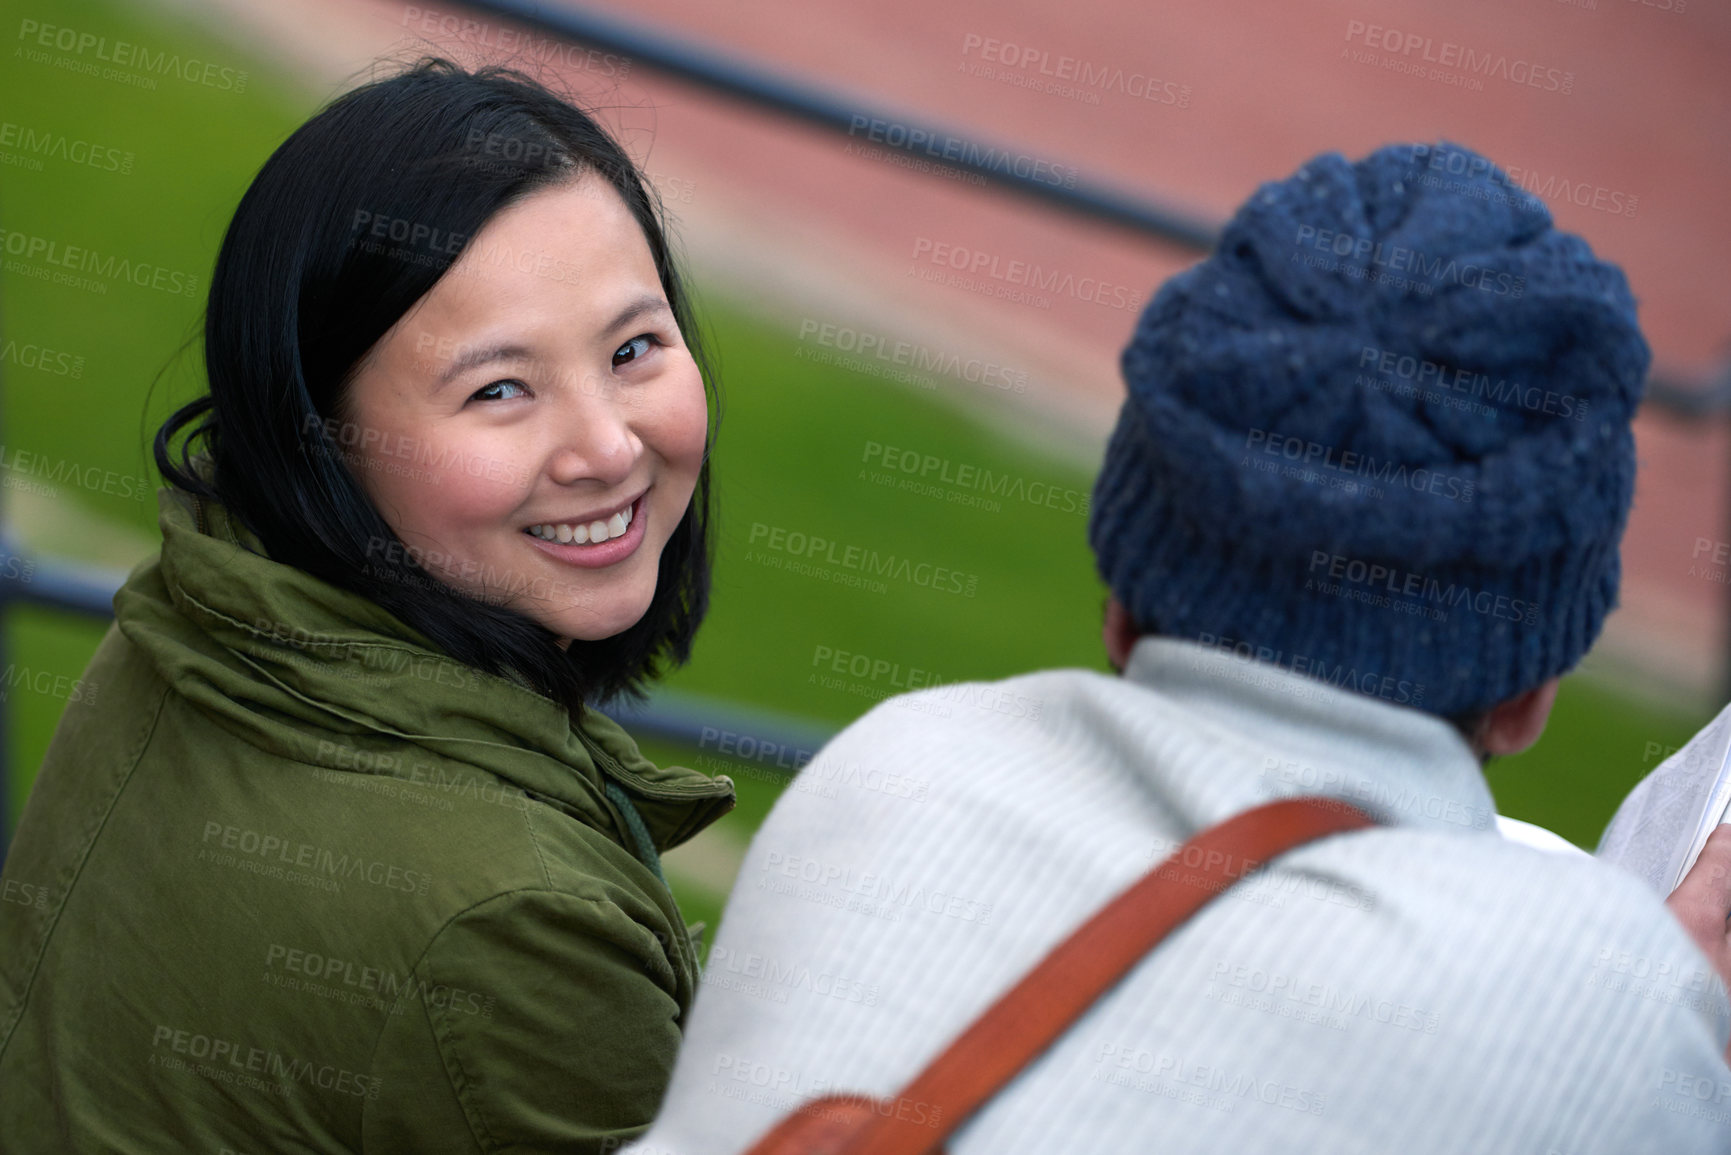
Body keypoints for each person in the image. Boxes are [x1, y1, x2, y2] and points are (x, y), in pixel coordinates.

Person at [626, 142, 1731, 1154]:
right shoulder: (1613, 1018)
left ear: (1124, 590)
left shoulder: (893, 765)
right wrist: (1671, 1018)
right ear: (1531, 690)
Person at [0, 58, 733, 1153]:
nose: (609, 446)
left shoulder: (209, 604)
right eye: (500, 389)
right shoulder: (515, 927)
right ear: (323, 437)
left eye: (634, 349)